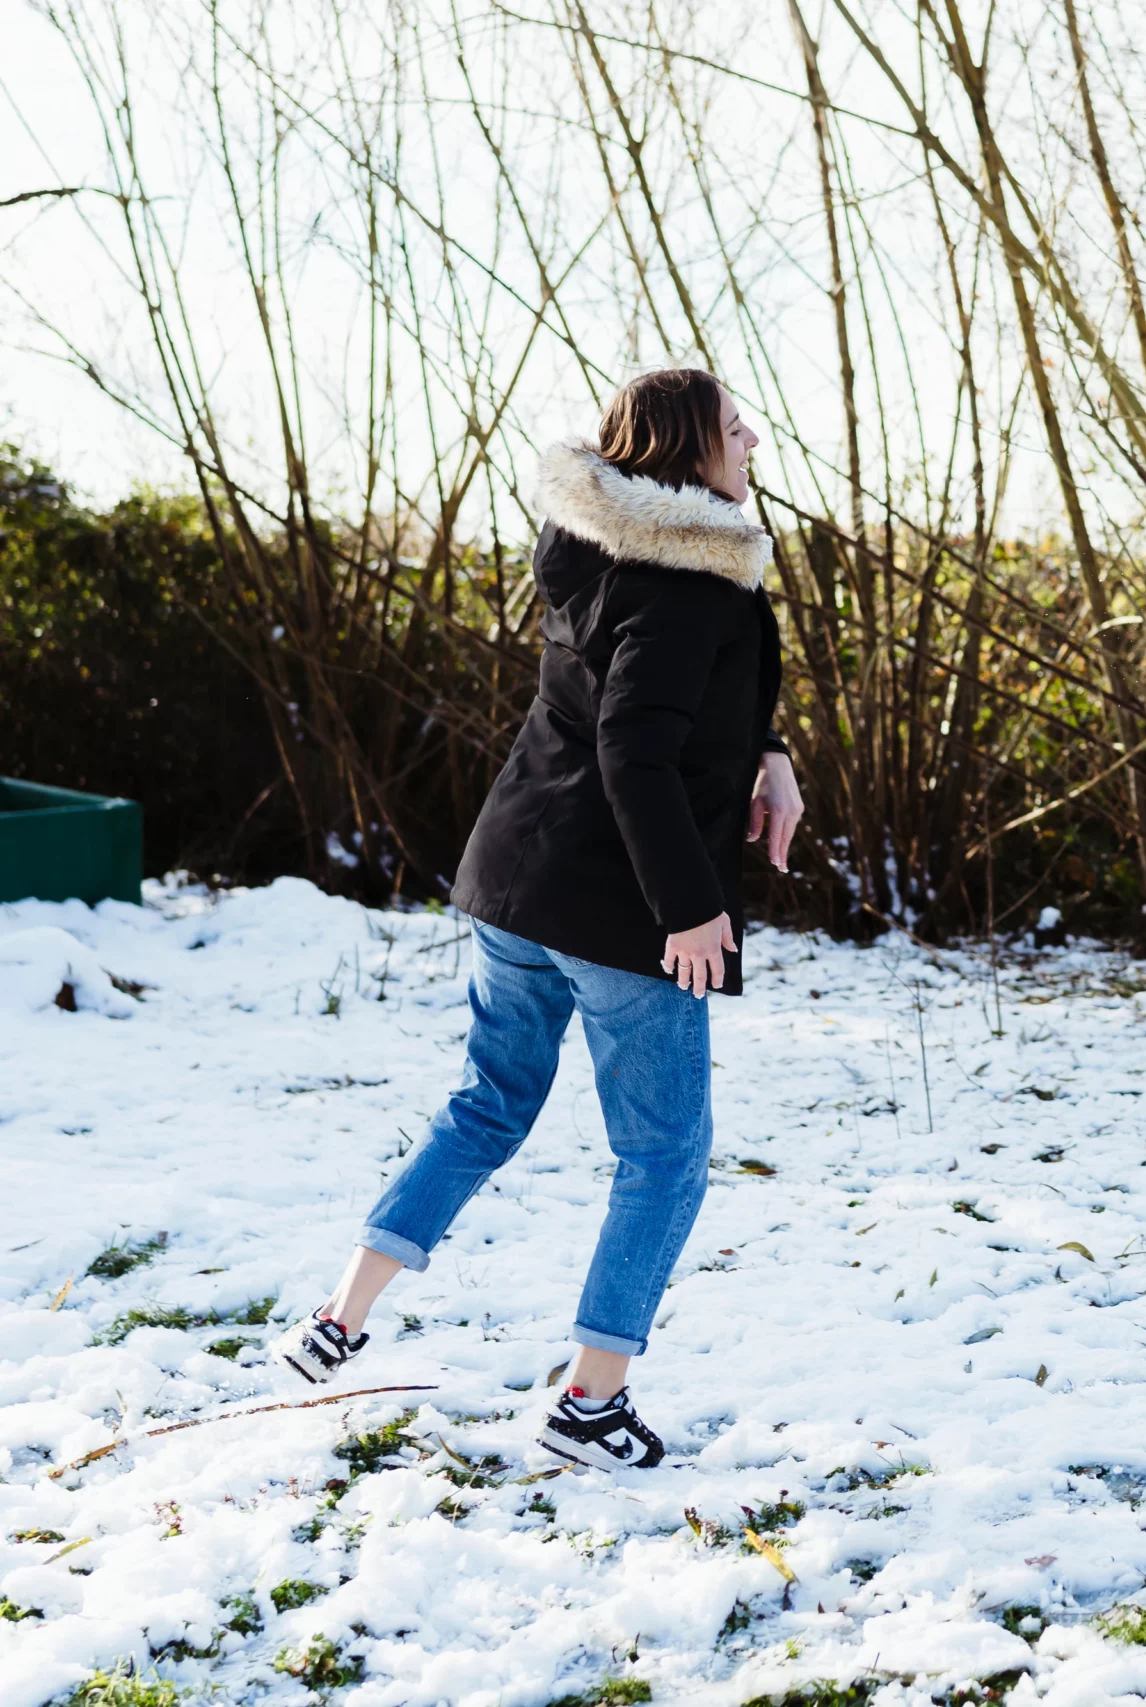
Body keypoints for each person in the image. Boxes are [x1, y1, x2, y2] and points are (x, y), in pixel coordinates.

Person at [281, 369, 804, 1471]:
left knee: (487, 1106)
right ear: (683, 451)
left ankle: (340, 1316)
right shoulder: (690, 584)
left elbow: (682, 695)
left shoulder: (599, 552)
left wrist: (772, 755)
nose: (751, 435)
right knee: (665, 1157)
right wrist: (692, 908)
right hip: (622, 911)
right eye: (729, 424)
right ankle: (590, 1407)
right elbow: (635, 748)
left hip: (517, 883)